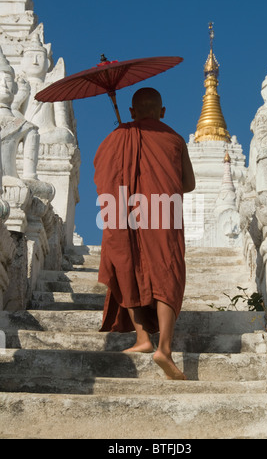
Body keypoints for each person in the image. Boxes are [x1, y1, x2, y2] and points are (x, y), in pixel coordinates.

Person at [94, 87, 195, 380]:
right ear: (162, 112)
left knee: (129, 265)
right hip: (165, 211)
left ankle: (142, 339)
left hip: (124, 210)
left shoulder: (117, 137)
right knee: (167, 271)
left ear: (131, 111)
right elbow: (188, 184)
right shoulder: (174, 139)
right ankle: (163, 348)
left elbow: (102, 172)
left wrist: (123, 141)